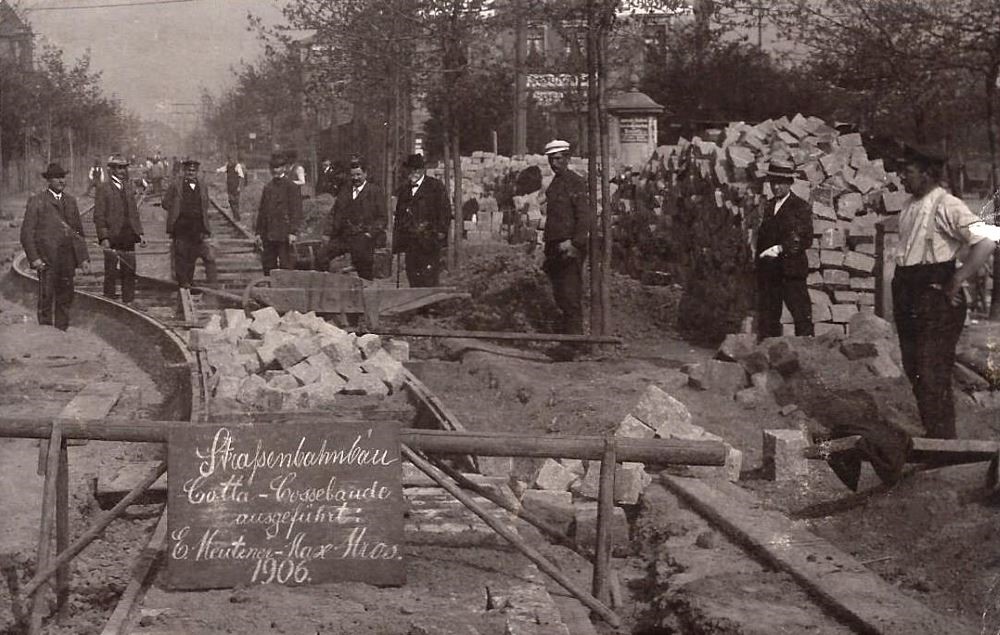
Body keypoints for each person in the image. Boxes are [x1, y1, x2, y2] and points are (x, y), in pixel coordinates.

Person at [892, 149, 998, 439]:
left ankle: (943, 440)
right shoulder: (909, 205)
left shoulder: (947, 204)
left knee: (931, 369)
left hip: (934, 296)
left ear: (926, 173)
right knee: (914, 367)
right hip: (908, 291)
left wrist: (958, 278)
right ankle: (934, 435)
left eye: (908, 170)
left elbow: (988, 240)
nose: (901, 176)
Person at [20, 162, 91, 330]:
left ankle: (61, 331)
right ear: (49, 180)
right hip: (47, 261)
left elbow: (78, 233)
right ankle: (45, 333)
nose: (61, 181)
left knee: (66, 297)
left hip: (67, 261)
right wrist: (34, 258)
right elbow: (26, 233)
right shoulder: (37, 201)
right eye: (57, 178)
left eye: (63, 177)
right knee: (46, 297)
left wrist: (83, 258)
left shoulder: (71, 201)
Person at [754, 159, 814, 340]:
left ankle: (806, 355)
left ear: (790, 183)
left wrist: (780, 248)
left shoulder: (800, 207)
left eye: (780, 183)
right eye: (773, 182)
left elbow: (804, 239)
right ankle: (768, 356)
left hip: (791, 271)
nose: (776, 187)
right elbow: (763, 237)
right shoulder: (769, 205)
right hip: (770, 272)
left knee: (801, 316)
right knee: (768, 317)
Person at [541, 139, 590, 336]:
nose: (554, 163)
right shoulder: (555, 184)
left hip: (569, 248)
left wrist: (574, 243)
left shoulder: (575, 182)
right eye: (551, 160)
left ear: (567, 159)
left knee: (570, 296)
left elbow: (584, 216)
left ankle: (575, 343)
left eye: (558, 159)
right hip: (554, 247)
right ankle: (566, 338)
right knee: (559, 295)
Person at [392, 153, 451, 287]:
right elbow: (399, 217)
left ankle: (431, 307)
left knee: (429, 278)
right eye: (410, 170)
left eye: (416, 169)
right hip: (410, 243)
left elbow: (445, 212)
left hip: (429, 242)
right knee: (413, 276)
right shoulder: (404, 190)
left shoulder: (435, 187)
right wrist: (397, 243)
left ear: (422, 170)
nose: (413, 173)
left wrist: (439, 233)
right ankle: (418, 308)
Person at [94, 154, 146, 304]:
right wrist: (103, 237)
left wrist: (140, 233)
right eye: (118, 168)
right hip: (112, 236)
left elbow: (134, 213)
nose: (122, 171)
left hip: (128, 235)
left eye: (124, 167)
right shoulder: (104, 188)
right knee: (110, 270)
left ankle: (128, 301)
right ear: (111, 170)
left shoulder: (128, 187)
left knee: (129, 269)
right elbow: (99, 215)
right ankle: (109, 300)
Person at [324, 158, 387, 281]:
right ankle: (328, 286)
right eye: (353, 175)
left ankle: (366, 287)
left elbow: (383, 218)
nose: (356, 178)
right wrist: (327, 233)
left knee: (363, 263)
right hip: (344, 236)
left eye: (359, 174)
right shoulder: (345, 191)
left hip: (364, 236)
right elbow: (334, 213)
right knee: (322, 255)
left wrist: (370, 233)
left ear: (365, 174)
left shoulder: (374, 192)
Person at [163, 157, 217, 288]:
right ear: (184, 170)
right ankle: (183, 281)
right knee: (181, 253)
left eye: (193, 170)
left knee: (192, 254)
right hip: (181, 224)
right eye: (188, 170)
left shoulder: (202, 185)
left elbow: (205, 203)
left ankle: (190, 279)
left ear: (197, 171)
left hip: (196, 225)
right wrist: (175, 210)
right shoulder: (176, 184)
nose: (191, 172)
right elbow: (165, 202)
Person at [255, 153, 302, 275]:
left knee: (286, 265)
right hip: (269, 233)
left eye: (279, 167)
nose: (276, 170)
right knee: (268, 265)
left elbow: (296, 211)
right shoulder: (268, 187)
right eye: (273, 168)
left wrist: (293, 232)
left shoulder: (291, 187)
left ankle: (285, 291)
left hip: (284, 233)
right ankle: (271, 290)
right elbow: (262, 211)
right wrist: (259, 233)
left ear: (284, 168)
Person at [216, 156, 246, 221]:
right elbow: (222, 169)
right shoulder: (228, 166)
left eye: (231, 160)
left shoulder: (237, 166)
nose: (230, 161)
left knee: (235, 202)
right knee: (231, 201)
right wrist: (217, 170)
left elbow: (241, 177)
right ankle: (235, 216)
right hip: (230, 187)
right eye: (229, 160)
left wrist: (239, 186)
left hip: (236, 187)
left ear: (234, 160)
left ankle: (237, 217)